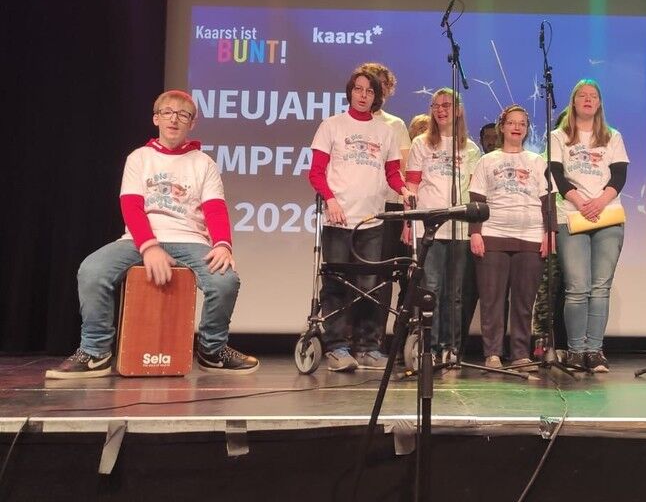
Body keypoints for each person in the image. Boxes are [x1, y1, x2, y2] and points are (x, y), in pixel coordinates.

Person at [46, 90, 258, 379]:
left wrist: (223, 245)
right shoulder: (140, 158)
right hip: (139, 239)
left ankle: (212, 350)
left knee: (225, 281)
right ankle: (95, 352)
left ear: (192, 123)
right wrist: (149, 246)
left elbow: (215, 210)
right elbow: (131, 206)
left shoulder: (203, 163)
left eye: (183, 115)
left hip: (190, 239)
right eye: (167, 112)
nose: (174, 119)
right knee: (92, 270)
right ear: (156, 118)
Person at [308, 70, 414, 372]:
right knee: (336, 285)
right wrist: (331, 200)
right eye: (358, 89)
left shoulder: (385, 131)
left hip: (372, 221)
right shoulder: (332, 125)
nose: (363, 95)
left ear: (376, 96)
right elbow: (316, 172)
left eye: (369, 91)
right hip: (338, 220)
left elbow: (392, 173)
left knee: (370, 285)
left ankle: (368, 347)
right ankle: (336, 347)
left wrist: (404, 190)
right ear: (350, 92)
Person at [548, 79, 628, 373]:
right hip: (572, 214)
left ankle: (594, 351)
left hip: (607, 215)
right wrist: (581, 202)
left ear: (599, 103)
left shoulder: (612, 136)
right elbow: (556, 174)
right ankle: (575, 351)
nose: (588, 99)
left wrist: (600, 201)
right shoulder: (558, 136)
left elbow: (619, 175)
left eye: (593, 96)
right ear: (573, 101)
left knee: (600, 288)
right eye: (582, 95)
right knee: (577, 288)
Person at [468, 105, 552, 369]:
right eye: (512, 122)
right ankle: (492, 352)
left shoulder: (537, 162)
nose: (517, 127)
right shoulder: (486, 161)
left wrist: (549, 233)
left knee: (524, 301)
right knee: (491, 299)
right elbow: (477, 201)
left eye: (522, 124)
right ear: (502, 127)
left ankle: (520, 354)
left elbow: (548, 202)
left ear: (527, 130)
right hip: (493, 234)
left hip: (530, 236)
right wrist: (475, 233)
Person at [403, 88, 482, 360]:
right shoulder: (421, 144)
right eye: (435, 105)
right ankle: (431, 348)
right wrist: (408, 223)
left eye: (446, 105)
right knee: (432, 289)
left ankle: (451, 348)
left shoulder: (470, 149)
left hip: (459, 228)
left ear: (458, 110)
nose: (440, 110)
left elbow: (474, 190)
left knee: (455, 293)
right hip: (431, 228)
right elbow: (412, 186)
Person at [355, 62, 412, 341]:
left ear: (387, 91)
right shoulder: (344, 122)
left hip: (388, 207)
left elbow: (401, 168)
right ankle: (348, 337)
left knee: (382, 276)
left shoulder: (395, 125)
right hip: (356, 207)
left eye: (381, 86)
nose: (373, 92)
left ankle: (374, 339)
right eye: (368, 85)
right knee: (354, 274)